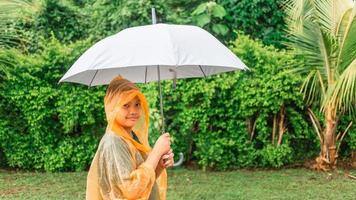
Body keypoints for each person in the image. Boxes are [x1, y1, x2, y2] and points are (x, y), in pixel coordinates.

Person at [86, 75, 174, 200]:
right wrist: (156, 152)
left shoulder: (128, 137)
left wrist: (158, 164)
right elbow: (130, 191)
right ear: (112, 107)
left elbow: (141, 181)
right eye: (126, 105)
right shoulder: (114, 142)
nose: (133, 111)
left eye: (137, 104)